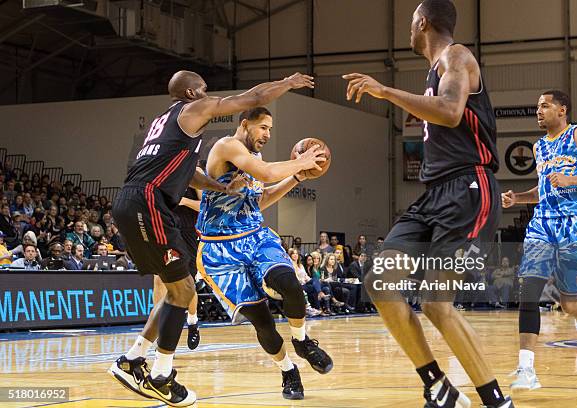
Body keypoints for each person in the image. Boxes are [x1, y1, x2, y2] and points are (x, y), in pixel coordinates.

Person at [108, 70, 315, 407]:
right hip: (149, 203)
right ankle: (159, 375)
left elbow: (189, 173)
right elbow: (253, 99)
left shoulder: (167, 124)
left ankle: (133, 359)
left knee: (177, 289)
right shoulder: (192, 110)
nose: (208, 94)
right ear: (191, 92)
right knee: (182, 289)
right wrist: (287, 84)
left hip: (132, 202)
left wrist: (221, 187)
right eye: (203, 89)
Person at [343, 1, 513, 406]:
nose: (408, 29)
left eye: (410, 22)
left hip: (469, 190)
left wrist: (384, 91)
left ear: (422, 23)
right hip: (434, 195)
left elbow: (451, 112)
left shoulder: (456, 56)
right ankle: (438, 386)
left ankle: (496, 401)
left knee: (438, 304)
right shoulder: (433, 69)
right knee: (379, 282)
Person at [196, 107, 332, 401]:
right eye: (263, 128)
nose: (268, 135)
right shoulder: (227, 147)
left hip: (255, 237)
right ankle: (288, 371)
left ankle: (302, 341)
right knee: (262, 321)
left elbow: (263, 198)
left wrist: (298, 178)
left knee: (290, 283)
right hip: (219, 249)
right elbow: (268, 173)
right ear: (245, 124)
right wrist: (302, 162)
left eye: (271, 129)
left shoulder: (254, 159)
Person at [501, 90, 577, 391]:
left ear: (562, 110)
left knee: (569, 302)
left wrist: (573, 180)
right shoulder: (539, 148)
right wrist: (518, 198)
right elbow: (543, 190)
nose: (538, 111)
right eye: (537, 107)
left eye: (545, 106)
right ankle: (527, 370)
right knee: (528, 291)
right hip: (543, 225)